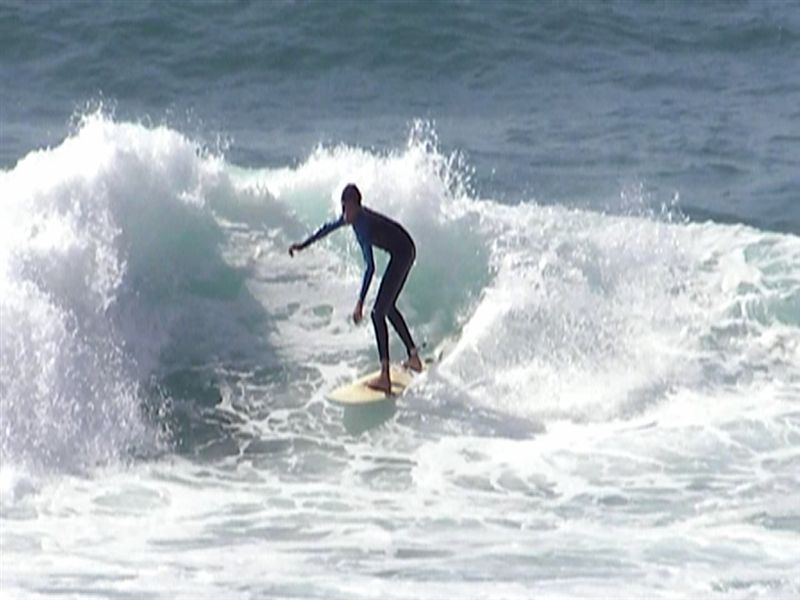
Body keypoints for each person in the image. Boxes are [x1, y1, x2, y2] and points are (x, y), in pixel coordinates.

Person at [289, 183, 423, 392]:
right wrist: (303, 245)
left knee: (377, 313)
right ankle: (413, 358)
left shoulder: (364, 225)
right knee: (387, 308)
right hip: (403, 249)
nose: (345, 213)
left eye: (348, 208)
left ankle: (385, 377)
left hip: (404, 252)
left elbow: (370, 267)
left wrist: (360, 302)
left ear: (358, 207)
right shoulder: (351, 218)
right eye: (343, 207)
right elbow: (327, 228)